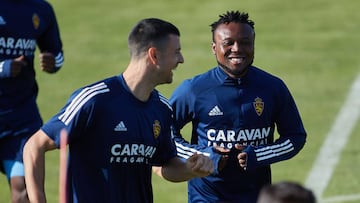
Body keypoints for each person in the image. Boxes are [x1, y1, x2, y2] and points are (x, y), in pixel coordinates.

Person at [23, 18, 214, 203]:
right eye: (177, 52)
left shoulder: (162, 109)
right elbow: (34, 146)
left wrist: (190, 169)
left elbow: (165, 164)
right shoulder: (95, 100)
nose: (181, 59)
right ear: (154, 55)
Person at [167, 10, 307, 202]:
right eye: (228, 43)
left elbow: (295, 137)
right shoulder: (193, 89)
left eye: (245, 42)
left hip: (257, 197)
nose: (237, 49)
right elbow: (164, 135)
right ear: (214, 48)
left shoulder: (273, 87)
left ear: (254, 45)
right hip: (207, 197)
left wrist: (259, 154)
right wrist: (203, 155)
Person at [0, 0, 64, 202]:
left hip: (22, 118)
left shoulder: (41, 9)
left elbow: (58, 54)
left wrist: (53, 62)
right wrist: (2, 68)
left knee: (25, 188)